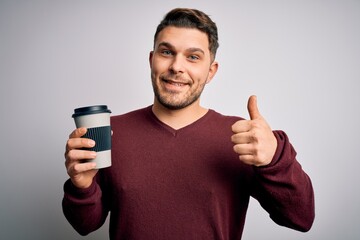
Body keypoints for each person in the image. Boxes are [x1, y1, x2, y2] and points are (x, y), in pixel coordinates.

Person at [63, 8, 315, 239]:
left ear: (211, 71)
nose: (176, 67)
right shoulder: (111, 132)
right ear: (152, 59)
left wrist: (275, 159)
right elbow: (85, 225)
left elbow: (301, 219)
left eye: (193, 57)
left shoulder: (243, 138)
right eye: (166, 52)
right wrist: (82, 186)